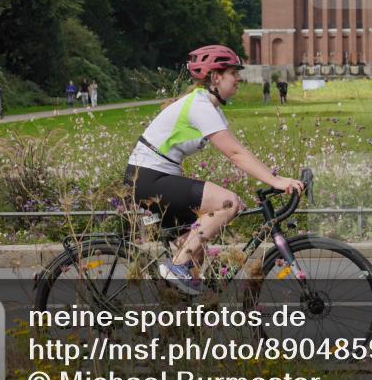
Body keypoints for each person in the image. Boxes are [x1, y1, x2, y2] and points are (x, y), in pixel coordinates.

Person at [124, 45, 304, 294]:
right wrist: (276, 182)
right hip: (148, 179)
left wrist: (275, 177)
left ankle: (183, 317)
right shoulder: (201, 107)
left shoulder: (206, 106)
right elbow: (235, 154)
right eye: (233, 72)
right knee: (229, 203)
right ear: (216, 77)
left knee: (196, 260)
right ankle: (176, 267)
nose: (239, 78)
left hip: (154, 177)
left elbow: (238, 150)